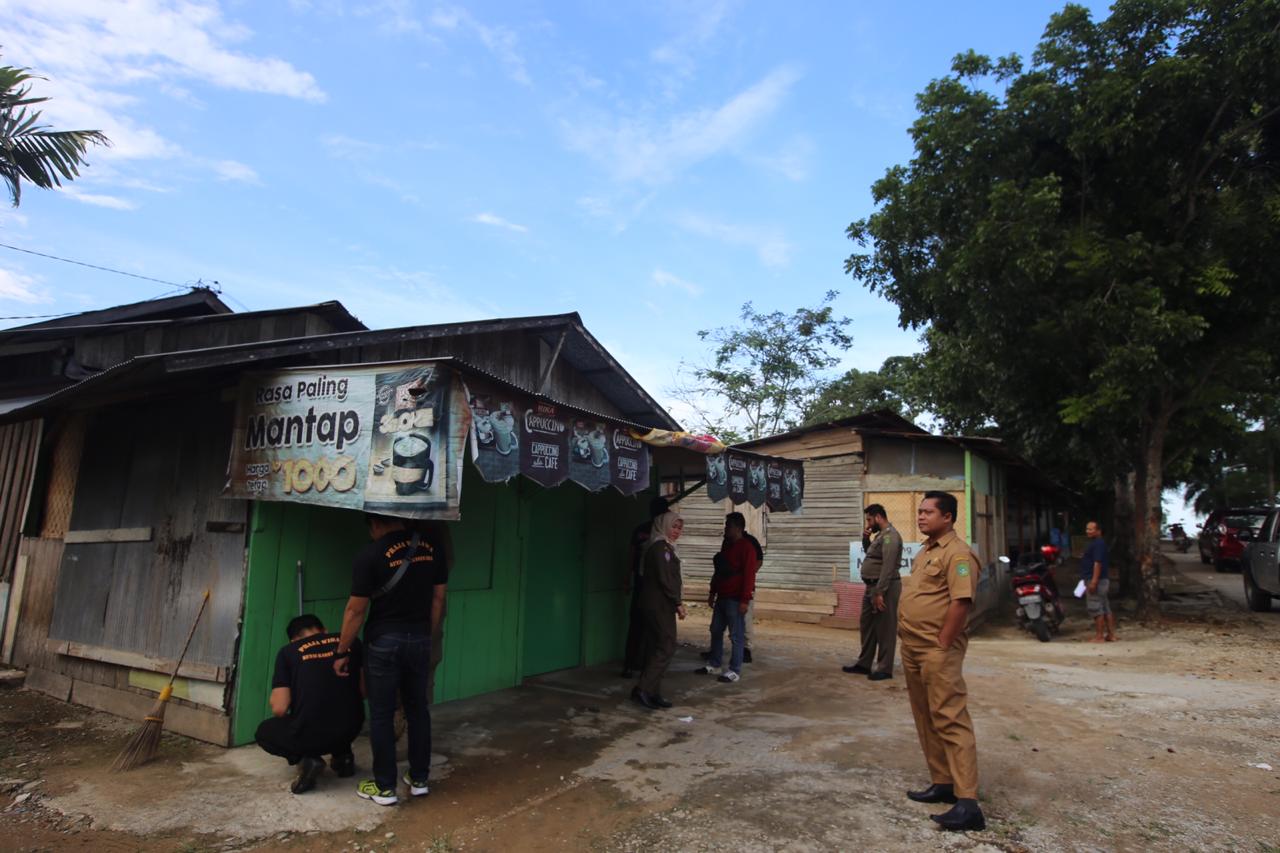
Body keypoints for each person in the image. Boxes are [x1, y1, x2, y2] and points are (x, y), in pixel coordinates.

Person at [334, 514, 449, 806]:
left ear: (374, 523)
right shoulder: (433, 548)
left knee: (382, 715)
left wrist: (342, 651)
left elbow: (355, 611)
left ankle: (385, 787)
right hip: (420, 638)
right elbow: (438, 600)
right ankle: (419, 779)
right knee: (417, 709)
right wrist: (426, 634)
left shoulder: (369, 555)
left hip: (384, 642)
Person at [899, 491, 985, 832]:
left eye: (928, 512)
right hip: (912, 647)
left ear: (947, 517)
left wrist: (943, 642)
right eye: (919, 511)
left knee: (950, 717)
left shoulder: (958, 554)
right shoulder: (925, 552)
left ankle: (968, 802)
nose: (920, 517)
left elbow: (961, 602)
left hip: (936, 651)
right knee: (925, 716)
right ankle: (943, 781)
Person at [255, 614, 365, 794]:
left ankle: (308, 760)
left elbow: (280, 708)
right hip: (352, 728)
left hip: (313, 733)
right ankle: (343, 757)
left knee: (264, 731)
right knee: (337, 706)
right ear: (324, 631)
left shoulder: (288, 652)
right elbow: (364, 691)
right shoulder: (352, 643)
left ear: (293, 640)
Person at [695, 513, 760, 683]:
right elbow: (719, 572)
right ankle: (715, 663)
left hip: (736, 598)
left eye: (728, 526)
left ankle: (734, 670)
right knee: (715, 630)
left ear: (738, 528)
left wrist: (745, 599)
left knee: (736, 635)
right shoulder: (727, 546)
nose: (725, 529)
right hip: (722, 596)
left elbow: (749, 575)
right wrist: (712, 592)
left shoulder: (747, 548)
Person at [633, 509, 687, 710]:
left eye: (679, 528)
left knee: (657, 646)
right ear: (664, 526)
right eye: (673, 526)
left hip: (659, 604)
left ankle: (652, 691)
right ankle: (643, 689)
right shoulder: (660, 548)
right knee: (667, 645)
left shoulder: (665, 547)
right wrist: (678, 603)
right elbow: (666, 580)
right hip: (659, 605)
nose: (676, 531)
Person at [843, 503, 903, 680]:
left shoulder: (890, 537)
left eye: (869, 519)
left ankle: (884, 668)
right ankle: (864, 664)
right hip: (871, 587)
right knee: (867, 625)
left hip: (884, 587)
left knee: (885, 628)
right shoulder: (881, 536)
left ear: (878, 517)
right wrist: (865, 539)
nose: (868, 524)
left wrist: (879, 592)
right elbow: (872, 554)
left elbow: (888, 566)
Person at [621, 496, 671, 678]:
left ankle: (633, 664)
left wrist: (627, 579)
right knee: (650, 626)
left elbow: (630, 556)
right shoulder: (659, 534)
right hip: (652, 587)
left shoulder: (644, 530)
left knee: (638, 625)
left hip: (643, 584)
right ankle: (642, 665)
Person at [1081, 520, 1117, 643]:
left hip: (1096, 580)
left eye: (1091, 529)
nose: (1088, 531)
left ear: (1098, 531)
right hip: (1101, 580)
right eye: (1087, 529)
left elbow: (1097, 563)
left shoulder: (1098, 544)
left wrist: (1094, 581)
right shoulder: (1098, 544)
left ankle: (1099, 636)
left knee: (1096, 607)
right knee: (1105, 607)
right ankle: (1111, 635)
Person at [740, 530, 764, 663]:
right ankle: (716, 649)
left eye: (729, 526)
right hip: (730, 588)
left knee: (746, 619)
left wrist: (749, 573)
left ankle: (746, 649)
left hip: (746, 587)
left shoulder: (751, 542)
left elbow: (760, 561)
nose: (726, 529)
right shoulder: (728, 541)